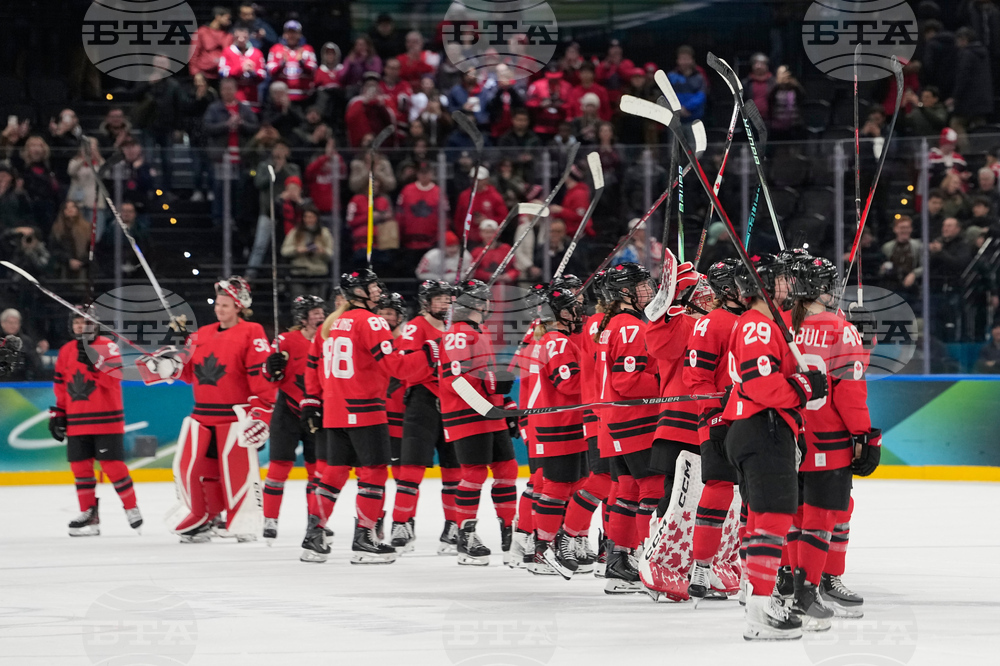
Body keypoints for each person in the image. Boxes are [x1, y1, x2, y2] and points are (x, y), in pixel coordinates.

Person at [722, 254, 827, 640]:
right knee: (772, 520)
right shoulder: (757, 326)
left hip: (760, 429)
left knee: (762, 520)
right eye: (781, 279)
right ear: (761, 285)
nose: (788, 284)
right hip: (762, 429)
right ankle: (760, 610)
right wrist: (802, 387)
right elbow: (763, 387)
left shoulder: (767, 323)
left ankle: (759, 600)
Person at [298, 269, 435, 563]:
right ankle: (365, 538)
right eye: (371, 286)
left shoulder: (332, 324)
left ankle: (313, 535)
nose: (376, 290)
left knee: (334, 473)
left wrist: (312, 400)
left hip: (335, 409)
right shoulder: (371, 321)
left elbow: (316, 367)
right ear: (358, 292)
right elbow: (396, 367)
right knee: (374, 473)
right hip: (365, 408)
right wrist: (428, 355)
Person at [136, 277, 276, 543]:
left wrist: (260, 414)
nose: (219, 309)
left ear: (239, 307)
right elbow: (189, 372)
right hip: (201, 417)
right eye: (217, 304)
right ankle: (204, 516)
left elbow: (261, 379)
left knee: (236, 473)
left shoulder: (252, 332)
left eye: (225, 305)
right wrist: (167, 366)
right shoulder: (201, 335)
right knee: (191, 470)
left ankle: (243, 520)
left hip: (234, 418)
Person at [782, 256, 878, 622]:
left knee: (795, 515)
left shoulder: (781, 325)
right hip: (829, 440)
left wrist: (861, 341)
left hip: (789, 436)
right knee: (829, 516)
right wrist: (863, 435)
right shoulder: (840, 329)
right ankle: (820, 584)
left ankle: (792, 582)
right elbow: (850, 389)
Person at [643, 259, 719, 600]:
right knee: (675, 501)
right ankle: (657, 559)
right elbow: (658, 344)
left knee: (699, 502)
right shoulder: (683, 324)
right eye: (706, 296)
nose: (712, 301)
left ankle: (688, 564)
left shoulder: (707, 324)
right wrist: (669, 304)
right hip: (680, 424)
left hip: (704, 423)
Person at [438, 279, 519, 565]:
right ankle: (466, 536)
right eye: (484, 299)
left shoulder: (478, 330)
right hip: (467, 414)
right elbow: (456, 381)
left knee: (507, 469)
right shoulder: (458, 334)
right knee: (474, 473)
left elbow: (485, 375)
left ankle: (509, 534)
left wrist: (504, 404)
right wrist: (489, 400)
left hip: (488, 413)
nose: (488, 304)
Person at [591, 262, 660, 593]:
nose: (648, 290)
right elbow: (627, 381)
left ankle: (618, 562)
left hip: (614, 421)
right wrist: (664, 383)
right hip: (635, 419)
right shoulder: (631, 327)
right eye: (641, 285)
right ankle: (649, 561)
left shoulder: (611, 325)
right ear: (624, 292)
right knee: (651, 488)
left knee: (627, 491)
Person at [518, 281, 591, 578]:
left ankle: (552, 545)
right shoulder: (557, 341)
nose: (577, 312)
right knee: (558, 486)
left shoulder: (549, 339)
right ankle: (543, 549)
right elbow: (568, 383)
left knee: (576, 482)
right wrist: (600, 376)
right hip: (559, 424)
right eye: (571, 308)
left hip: (562, 422)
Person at [684, 259, 746, 601]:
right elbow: (697, 378)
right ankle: (701, 567)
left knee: (756, 493)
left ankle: (752, 569)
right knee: (719, 488)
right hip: (722, 418)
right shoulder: (710, 324)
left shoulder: (760, 319)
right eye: (740, 281)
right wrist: (715, 413)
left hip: (756, 416)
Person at [387, 283, 463, 554]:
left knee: (454, 471)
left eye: (448, 300)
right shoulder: (415, 327)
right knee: (411, 469)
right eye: (439, 300)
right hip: (422, 401)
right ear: (426, 303)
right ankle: (401, 524)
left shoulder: (458, 329)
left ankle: (453, 527)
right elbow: (403, 370)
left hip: (454, 401)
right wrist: (429, 354)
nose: (445, 305)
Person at [52, 307, 142, 537]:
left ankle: (131, 507)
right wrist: (59, 413)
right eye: (76, 322)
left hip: (106, 419)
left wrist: (94, 363)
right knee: (80, 467)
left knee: (112, 466)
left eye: (85, 322)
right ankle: (89, 515)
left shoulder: (107, 346)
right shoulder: (65, 351)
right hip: (77, 420)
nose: (80, 326)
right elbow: (61, 386)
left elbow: (112, 381)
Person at [260, 296, 328, 543]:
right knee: (279, 467)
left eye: (321, 312)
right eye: (315, 313)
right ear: (302, 317)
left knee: (317, 471)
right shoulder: (285, 340)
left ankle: (315, 522)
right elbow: (269, 377)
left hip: (318, 410)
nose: (320, 316)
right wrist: (271, 367)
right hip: (287, 410)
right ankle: (270, 519)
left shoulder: (329, 340)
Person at [249, 142, 300, 277]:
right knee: (260, 245)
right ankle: (250, 274)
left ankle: (289, 275)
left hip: (288, 214)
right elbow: (259, 183)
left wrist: (283, 167)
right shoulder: (264, 166)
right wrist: (276, 170)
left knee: (287, 246)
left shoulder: (293, 168)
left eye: (283, 148)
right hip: (268, 212)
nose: (280, 151)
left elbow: (296, 182)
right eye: (277, 148)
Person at [949, 27, 994, 146]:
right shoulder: (983, 53)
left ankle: (966, 153)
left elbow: (962, 78)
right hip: (983, 101)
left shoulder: (966, 54)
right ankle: (983, 153)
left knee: (956, 123)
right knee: (979, 128)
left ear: (964, 39)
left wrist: (955, 97)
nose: (957, 44)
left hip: (968, 101)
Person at [281, 204, 333, 299]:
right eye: (307, 217)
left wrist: (323, 251)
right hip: (299, 273)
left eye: (312, 217)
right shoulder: (296, 232)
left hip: (318, 274)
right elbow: (284, 251)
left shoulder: (324, 233)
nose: (309, 220)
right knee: (299, 303)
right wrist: (296, 250)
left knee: (317, 303)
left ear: (316, 218)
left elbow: (331, 254)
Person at [397, 163, 444, 266]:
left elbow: (444, 218)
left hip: (431, 242)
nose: (424, 176)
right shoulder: (407, 190)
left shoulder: (438, 192)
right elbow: (400, 215)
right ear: (417, 174)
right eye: (421, 173)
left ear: (431, 174)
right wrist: (400, 235)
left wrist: (439, 238)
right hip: (410, 242)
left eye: (426, 173)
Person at [453, 167, 508, 246]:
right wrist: (461, 236)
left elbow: (504, 218)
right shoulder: (464, 196)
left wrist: (487, 220)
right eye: (473, 179)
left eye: (479, 180)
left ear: (486, 179)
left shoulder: (495, 196)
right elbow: (458, 218)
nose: (476, 182)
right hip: (469, 240)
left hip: (490, 240)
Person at [266, 20, 317, 104]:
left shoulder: (307, 49)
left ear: (299, 34)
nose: (291, 36)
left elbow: (313, 71)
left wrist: (301, 62)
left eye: (294, 33)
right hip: (281, 98)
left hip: (303, 97)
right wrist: (282, 63)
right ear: (284, 34)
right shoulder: (276, 49)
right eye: (289, 32)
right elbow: (271, 72)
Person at [49, 200, 91, 296]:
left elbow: (91, 249)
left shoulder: (87, 228)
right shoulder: (57, 229)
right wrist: (69, 260)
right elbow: (54, 249)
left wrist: (81, 261)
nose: (70, 210)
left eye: (73, 207)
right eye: (67, 208)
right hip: (63, 268)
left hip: (83, 267)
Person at [219, 26, 267, 109]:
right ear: (234, 37)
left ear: (248, 37)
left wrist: (253, 71)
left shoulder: (257, 53)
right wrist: (241, 69)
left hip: (252, 98)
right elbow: (222, 73)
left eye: (244, 37)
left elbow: (263, 75)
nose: (241, 39)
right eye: (238, 37)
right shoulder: (227, 52)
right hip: (233, 98)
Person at [880, 215, 923, 296]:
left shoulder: (918, 246)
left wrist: (913, 274)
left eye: (907, 227)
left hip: (912, 288)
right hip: (892, 287)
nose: (905, 230)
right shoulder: (887, 247)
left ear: (911, 229)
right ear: (895, 229)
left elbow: (924, 266)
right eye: (902, 227)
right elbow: (881, 266)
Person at [189, 7, 232, 80]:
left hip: (221, 74)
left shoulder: (228, 35)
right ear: (218, 17)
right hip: (203, 73)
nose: (229, 22)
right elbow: (194, 53)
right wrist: (195, 72)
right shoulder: (202, 32)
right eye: (227, 18)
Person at [469, 219, 517, 284]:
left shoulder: (506, 248)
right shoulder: (476, 251)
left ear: (498, 233)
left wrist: (510, 275)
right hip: (485, 285)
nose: (489, 235)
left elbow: (515, 267)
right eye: (486, 232)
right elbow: (473, 271)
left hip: (506, 285)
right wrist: (489, 276)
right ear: (481, 233)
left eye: (492, 232)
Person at [667, 46, 707, 124]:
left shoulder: (699, 77)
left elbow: (701, 96)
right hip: (674, 120)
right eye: (682, 59)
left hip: (694, 120)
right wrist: (678, 109)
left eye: (687, 59)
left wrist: (686, 108)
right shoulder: (671, 76)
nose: (684, 62)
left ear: (692, 60)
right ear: (677, 60)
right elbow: (667, 95)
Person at [0, 308, 42, 380]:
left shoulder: (26, 341)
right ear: (2, 323)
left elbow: (36, 364)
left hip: (21, 381)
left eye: (16, 323)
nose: (13, 326)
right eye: (10, 323)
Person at [742, 54, 775, 122]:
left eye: (762, 63)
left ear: (767, 66)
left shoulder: (774, 83)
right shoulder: (746, 83)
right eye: (756, 63)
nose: (759, 66)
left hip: (770, 120)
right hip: (751, 119)